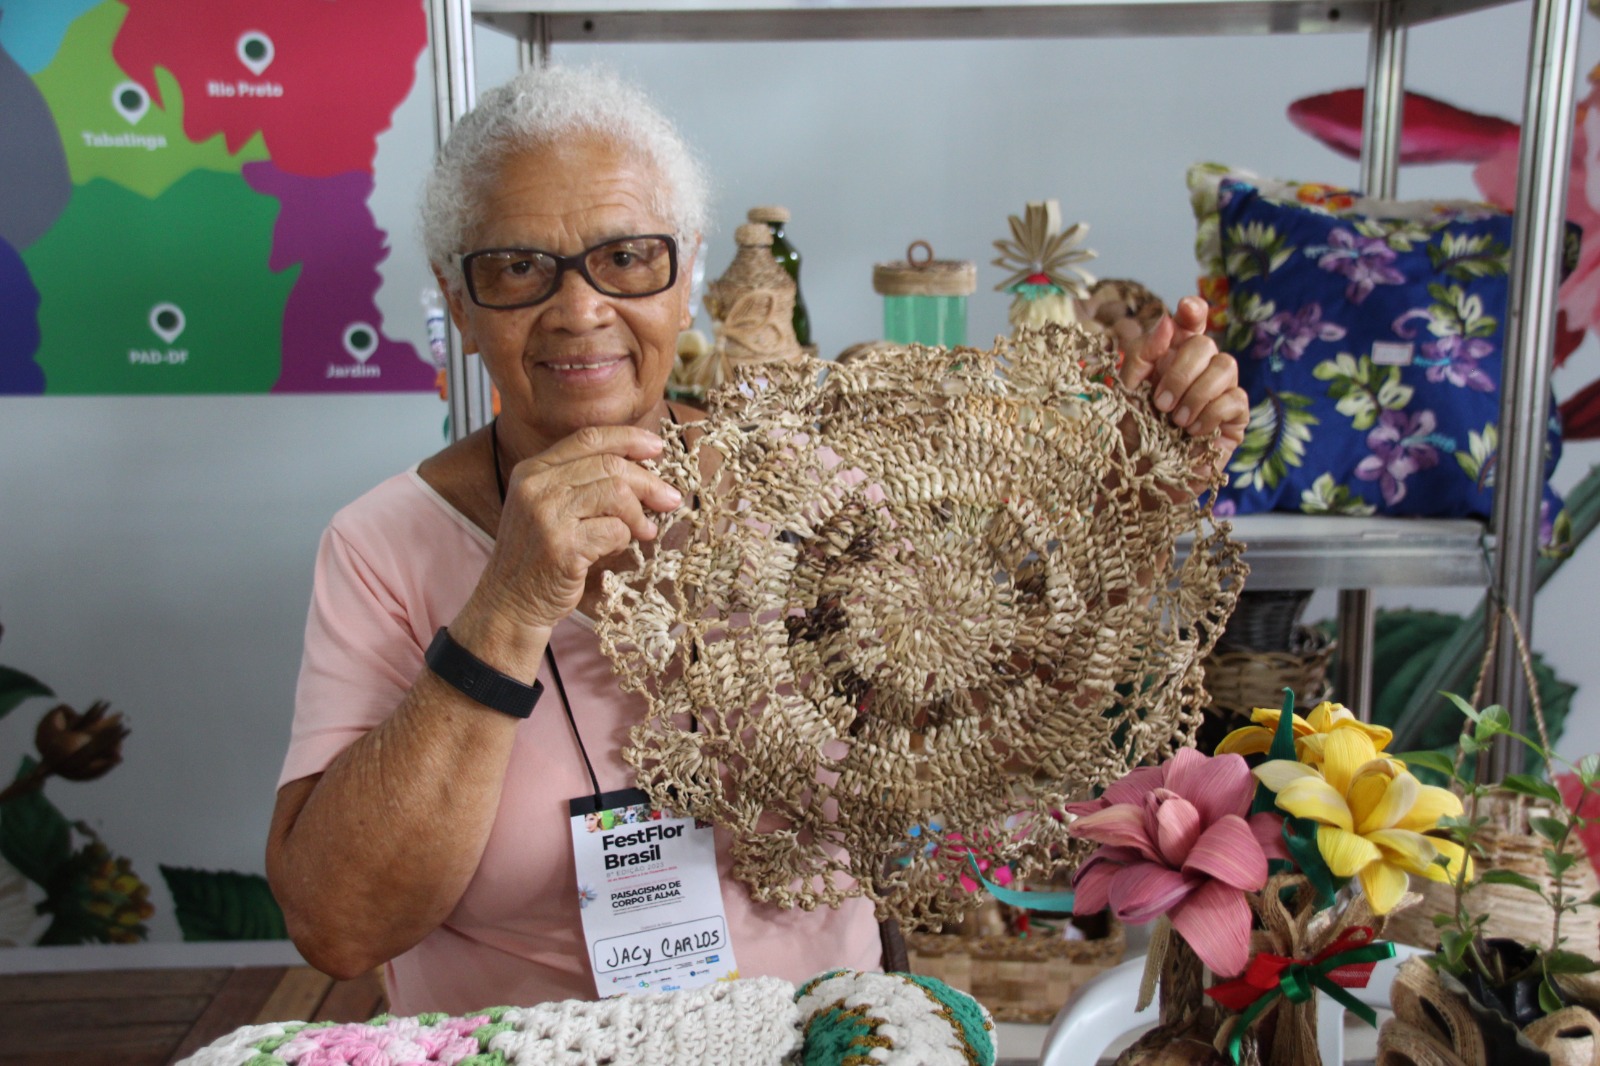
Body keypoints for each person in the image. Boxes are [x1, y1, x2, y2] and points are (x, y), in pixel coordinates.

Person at [265, 64, 1249, 1016]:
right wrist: (509, 603)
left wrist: (1131, 474)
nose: (578, 309)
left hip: (826, 1038)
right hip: (535, 1049)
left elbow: (1019, 727)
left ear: (687, 275)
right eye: (517, 267)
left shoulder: (823, 485)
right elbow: (339, 929)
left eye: (626, 256)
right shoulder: (381, 547)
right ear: (459, 301)